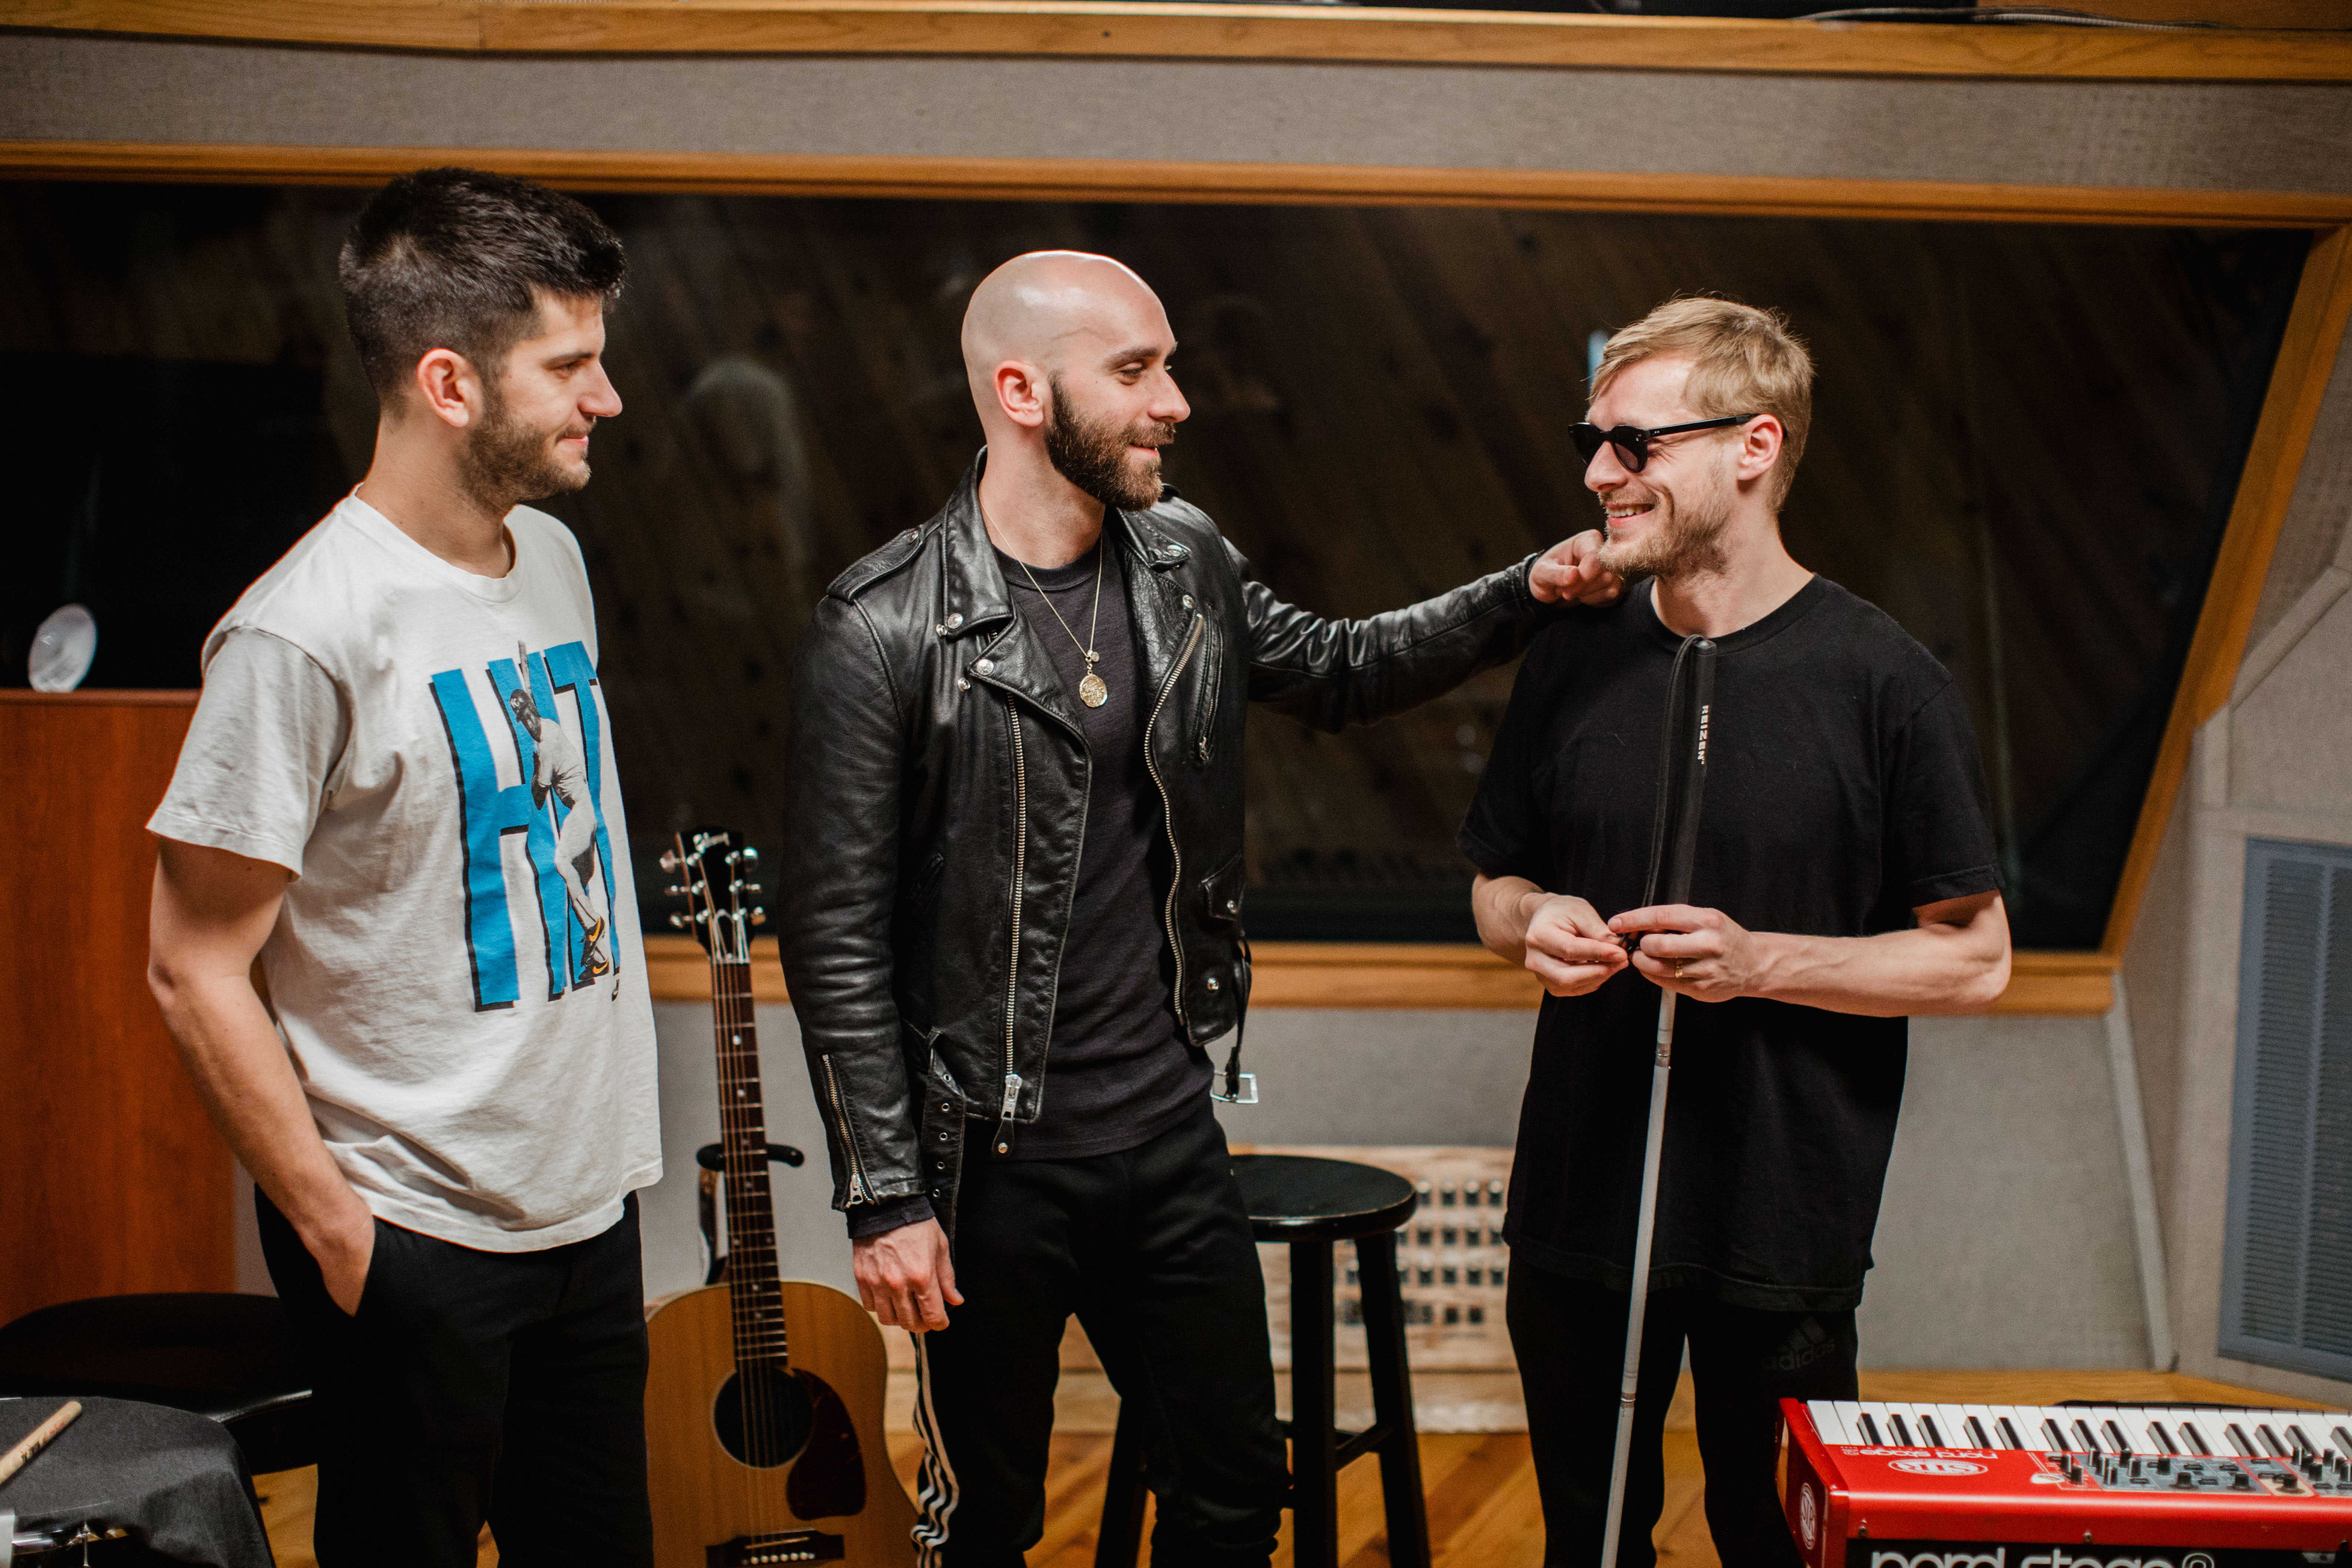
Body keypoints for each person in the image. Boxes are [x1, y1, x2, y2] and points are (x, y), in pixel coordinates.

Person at [777, 249, 1622, 1568]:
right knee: (985, 1519)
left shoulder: (1184, 560)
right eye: (1135, 371)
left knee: (1233, 1494)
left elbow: (1343, 670)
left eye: (1168, 365)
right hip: (986, 1164)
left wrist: (1527, 592)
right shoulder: (883, 626)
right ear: (1018, 389)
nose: (1176, 400)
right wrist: (884, 1194)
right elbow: (830, 934)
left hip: (1168, 1133)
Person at [145, 167, 658, 1568]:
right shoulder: (299, 636)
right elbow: (193, 968)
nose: (604, 398)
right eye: (569, 366)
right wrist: (343, 1235)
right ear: (449, 381)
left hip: (586, 1213)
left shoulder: (551, 558)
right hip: (412, 1234)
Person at [1461, 295, 2013, 1568]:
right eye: (1593, 440)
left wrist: (1762, 962)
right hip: (1575, 1220)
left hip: (1782, 1228)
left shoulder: (1887, 683)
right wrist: (1529, 919)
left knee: (1775, 1547)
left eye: (1634, 444)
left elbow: (1976, 957)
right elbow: (1492, 884)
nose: (1600, 472)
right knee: (1587, 1549)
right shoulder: (1572, 658)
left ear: (1753, 447)